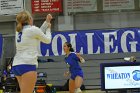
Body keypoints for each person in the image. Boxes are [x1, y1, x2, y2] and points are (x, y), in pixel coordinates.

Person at [12, 11, 52, 93]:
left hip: (17, 65)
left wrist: (47, 22)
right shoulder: (32, 30)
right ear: (29, 19)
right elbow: (47, 40)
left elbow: (38, 33)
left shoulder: (19, 30)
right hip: (28, 65)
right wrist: (48, 29)